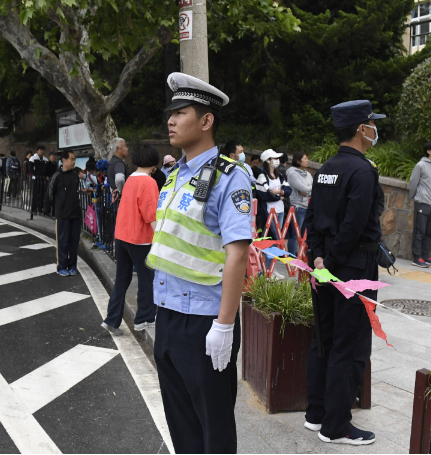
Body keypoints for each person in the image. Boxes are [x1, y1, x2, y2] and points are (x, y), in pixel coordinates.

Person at [147, 72, 253, 453]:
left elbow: (237, 251)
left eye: (181, 112)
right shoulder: (173, 177)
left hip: (205, 321)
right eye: (170, 114)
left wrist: (224, 325)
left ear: (206, 121)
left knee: (214, 428)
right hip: (169, 315)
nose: (171, 121)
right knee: (182, 424)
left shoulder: (231, 177)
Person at [303, 100, 385, 446]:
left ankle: (317, 412)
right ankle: (336, 427)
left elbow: (313, 219)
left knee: (324, 337)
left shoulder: (326, 169)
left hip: (325, 267)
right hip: (354, 268)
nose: (374, 129)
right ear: (359, 129)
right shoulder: (362, 171)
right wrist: (333, 262)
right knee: (348, 346)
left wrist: (320, 259)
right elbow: (353, 227)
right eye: (371, 124)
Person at [102, 144, 160, 334]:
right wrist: (160, 240)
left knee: (122, 279)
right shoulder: (149, 182)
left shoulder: (130, 180)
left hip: (122, 235)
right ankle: (144, 319)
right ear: (153, 164)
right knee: (146, 279)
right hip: (140, 239)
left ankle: (111, 320)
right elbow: (151, 215)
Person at [257, 149, 292, 276]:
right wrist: (280, 196)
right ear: (267, 160)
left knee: (276, 240)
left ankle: (270, 269)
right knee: (274, 240)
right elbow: (265, 195)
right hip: (269, 212)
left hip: (280, 211)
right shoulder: (262, 176)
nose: (277, 161)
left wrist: (279, 193)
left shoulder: (280, 176)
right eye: (274, 158)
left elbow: (288, 190)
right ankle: (266, 270)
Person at [408, 141, 431, 268]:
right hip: (422, 203)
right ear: (429, 151)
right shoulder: (420, 165)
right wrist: (414, 197)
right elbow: (413, 183)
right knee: (420, 231)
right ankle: (417, 257)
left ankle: (426, 256)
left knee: (429, 232)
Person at [49, 150, 82, 276]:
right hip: (62, 215)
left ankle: (72, 265)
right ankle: (61, 266)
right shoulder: (56, 176)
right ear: (64, 160)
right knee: (63, 242)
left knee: (74, 242)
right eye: (72, 159)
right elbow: (50, 194)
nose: (74, 162)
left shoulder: (74, 175)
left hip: (76, 214)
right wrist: (55, 210)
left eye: (74, 159)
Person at [286, 151, 313, 256]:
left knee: (304, 234)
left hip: (307, 206)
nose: (307, 160)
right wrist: (307, 190)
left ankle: (302, 256)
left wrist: (307, 191)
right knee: (294, 234)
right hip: (297, 207)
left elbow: (311, 187)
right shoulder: (292, 173)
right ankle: (291, 257)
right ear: (298, 161)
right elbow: (303, 188)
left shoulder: (307, 173)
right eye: (305, 158)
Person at [108, 138, 130, 202]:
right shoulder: (118, 163)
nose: (127, 149)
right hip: (122, 201)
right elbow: (119, 178)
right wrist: (121, 192)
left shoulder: (112, 162)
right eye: (125, 146)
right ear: (118, 149)